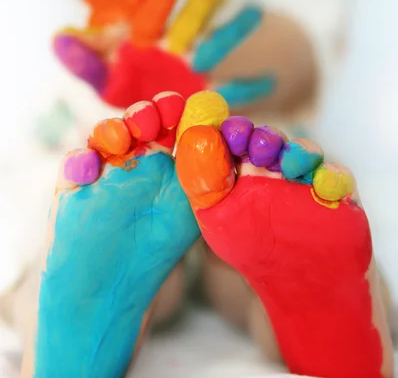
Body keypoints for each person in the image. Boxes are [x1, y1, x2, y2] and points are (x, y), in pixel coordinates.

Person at [2, 0, 398, 367]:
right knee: (60, 224)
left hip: (243, 166)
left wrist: (198, 59)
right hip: (102, 147)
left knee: (264, 250)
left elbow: (292, 59)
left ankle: (325, 315)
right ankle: (75, 308)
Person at [21, 91, 395, 377]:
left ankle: (67, 330)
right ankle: (333, 333)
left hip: (237, 189)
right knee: (56, 238)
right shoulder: (76, 91)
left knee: (40, 265)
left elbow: (297, 60)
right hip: (175, 194)